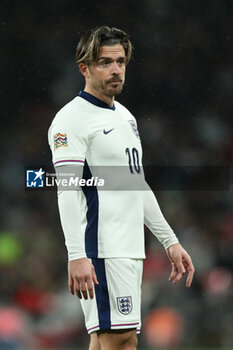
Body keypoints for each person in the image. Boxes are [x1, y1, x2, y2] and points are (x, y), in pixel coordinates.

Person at [48, 26, 195, 350]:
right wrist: (77, 255)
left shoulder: (126, 117)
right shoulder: (71, 120)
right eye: (105, 62)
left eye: (120, 61)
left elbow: (135, 185)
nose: (115, 69)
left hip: (128, 248)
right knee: (122, 340)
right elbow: (68, 189)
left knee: (106, 340)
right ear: (84, 68)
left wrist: (169, 241)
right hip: (101, 250)